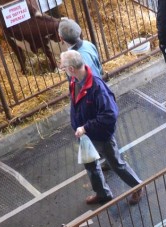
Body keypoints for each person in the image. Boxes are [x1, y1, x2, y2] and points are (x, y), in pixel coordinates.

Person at [61, 50, 143, 205]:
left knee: (116, 164)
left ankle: (138, 186)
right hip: (84, 134)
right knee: (91, 165)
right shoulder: (74, 81)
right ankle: (102, 193)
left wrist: (85, 128)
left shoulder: (97, 88)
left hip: (99, 136)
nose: (62, 69)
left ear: (71, 69)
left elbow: (109, 115)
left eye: (63, 67)